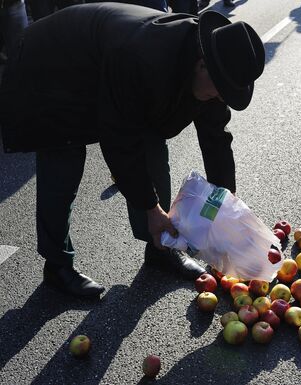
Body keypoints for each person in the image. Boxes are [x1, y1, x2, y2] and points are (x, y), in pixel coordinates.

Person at [0, 3, 265, 298]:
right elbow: (120, 141)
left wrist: (226, 210)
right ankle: (57, 265)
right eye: (219, 89)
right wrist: (152, 209)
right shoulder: (143, 57)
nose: (220, 97)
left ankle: (159, 248)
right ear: (201, 63)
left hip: (106, 66)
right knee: (63, 162)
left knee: (154, 149)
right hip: (53, 68)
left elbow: (216, 140)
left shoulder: (214, 69)